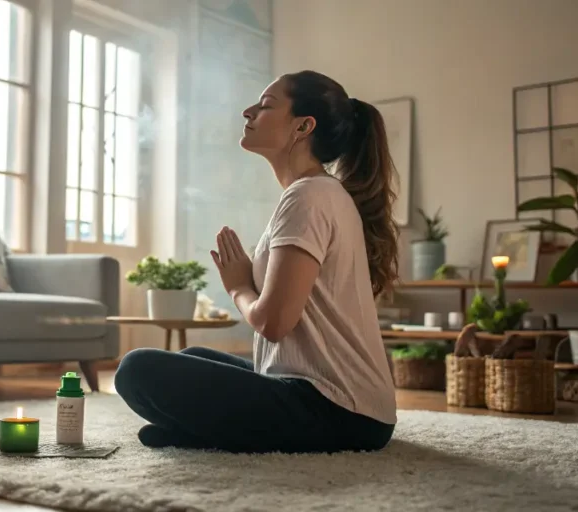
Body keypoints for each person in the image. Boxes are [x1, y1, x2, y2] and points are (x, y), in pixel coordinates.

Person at [113, 70, 399, 454]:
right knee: (191, 357)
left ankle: (209, 436)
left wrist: (238, 287)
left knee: (137, 369)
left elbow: (274, 323)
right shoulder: (317, 192)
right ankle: (209, 436)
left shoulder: (309, 197)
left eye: (265, 106)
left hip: (338, 411)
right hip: (346, 406)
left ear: (303, 126)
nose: (248, 112)